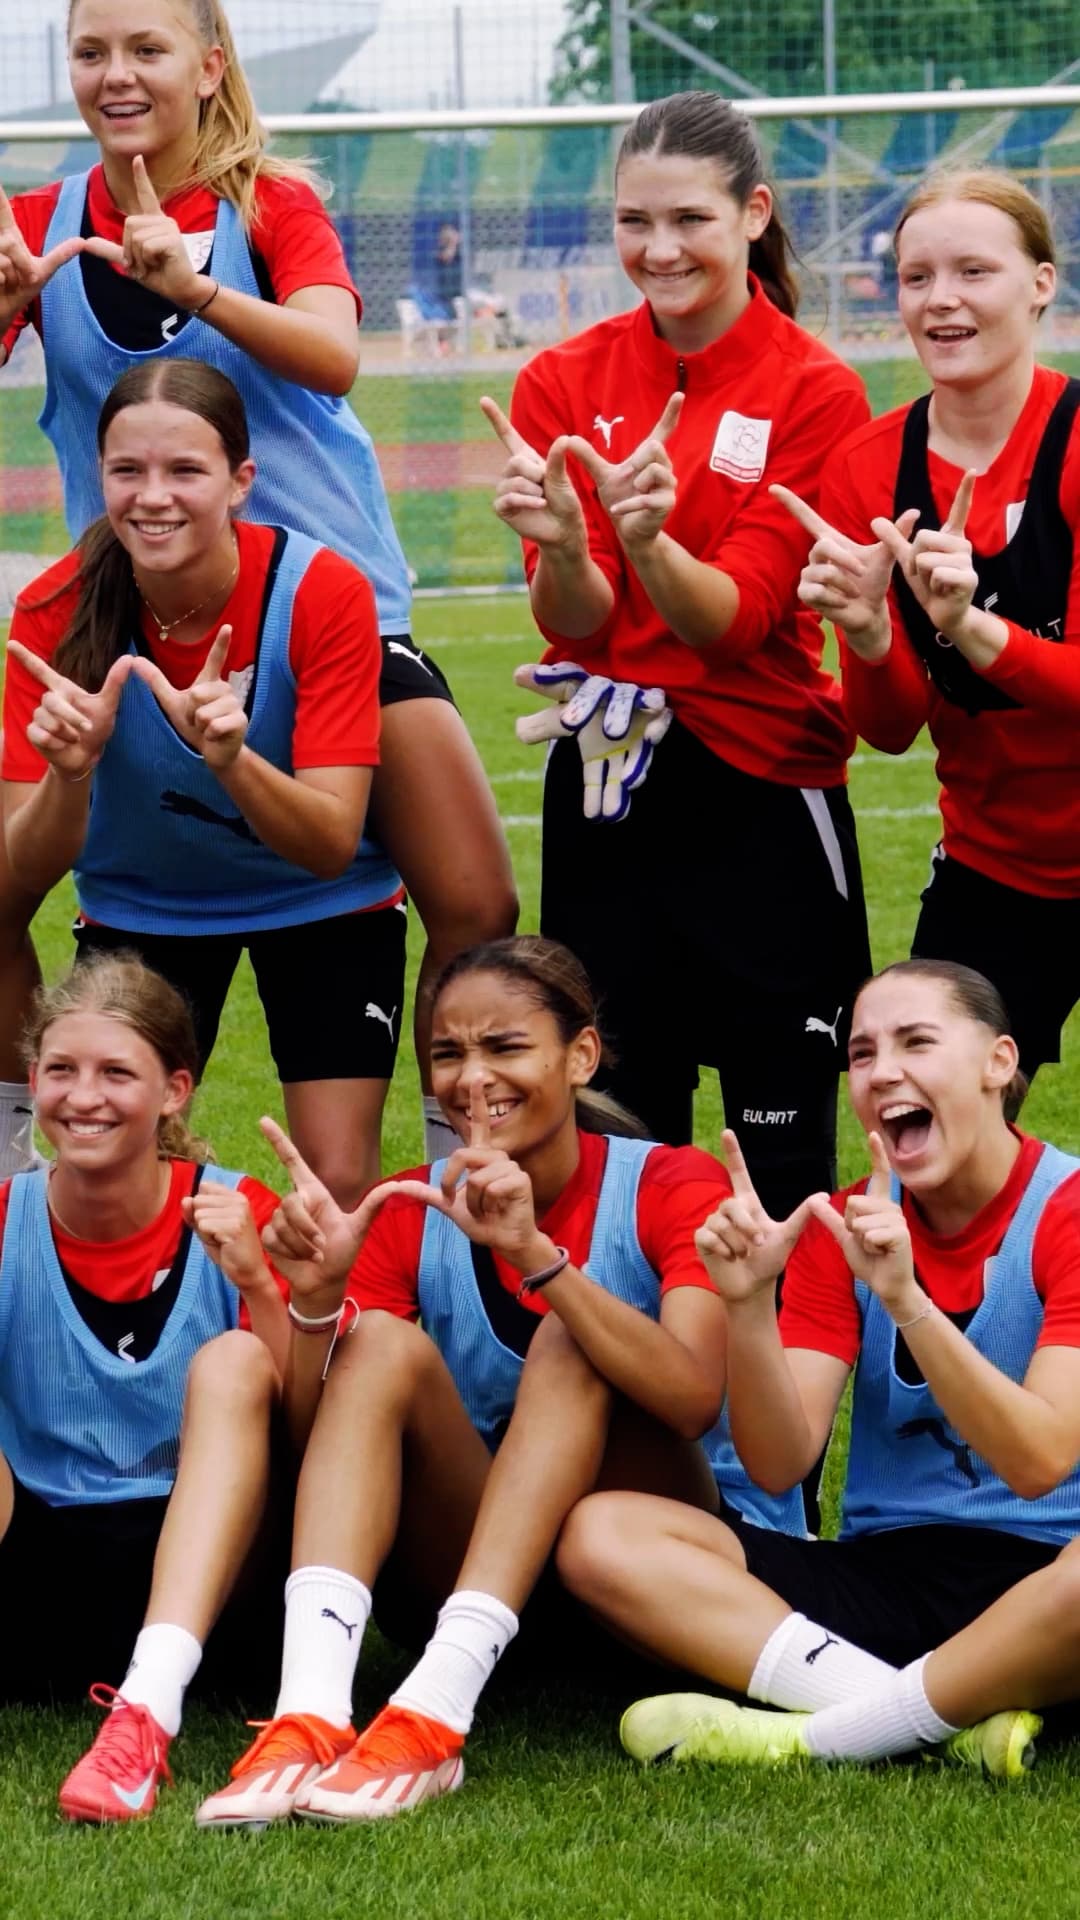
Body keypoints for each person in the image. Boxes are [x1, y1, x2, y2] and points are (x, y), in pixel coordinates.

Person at [0, 0, 517, 1167]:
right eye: (91, 51)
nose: (116, 74)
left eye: (148, 48)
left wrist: (193, 283)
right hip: (143, 627)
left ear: (209, 65)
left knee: (479, 908)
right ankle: (31, 1184)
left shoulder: (269, 206)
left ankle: (461, 1186)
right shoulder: (39, 226)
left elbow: (334, 358)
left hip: (325, 620)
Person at [194, 935, 806, 1830]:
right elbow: (321, 1442)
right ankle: (311, 1714)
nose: (472, 1078)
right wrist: (314, 1302)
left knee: (571, 1340)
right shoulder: (408, 1206)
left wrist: (535, 1257)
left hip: (649, 1566)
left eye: (505, 1047)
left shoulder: (673, 1179)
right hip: (470, 1576)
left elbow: (689, 1402)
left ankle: (436, 1709)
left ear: (580, 1054)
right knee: (378, 1351)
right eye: (447, 1053)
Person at [483, 90, 871, 1223]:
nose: (658, 250)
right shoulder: (562, 378)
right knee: (623, 1135)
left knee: (782, 1157)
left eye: (690, 219)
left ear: (754, 213)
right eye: (632, 222)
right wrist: (565, 547)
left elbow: (737, 621)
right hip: (608, 798)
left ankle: (783, 1405)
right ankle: (642, 1395)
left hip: (761, 790)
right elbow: (576, 625)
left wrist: (647, 539)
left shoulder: (816, 389)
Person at [557, 959, 1080, 1781]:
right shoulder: (839, 1224)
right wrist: (748, 1305)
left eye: (916, 1042)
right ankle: (929, 1715)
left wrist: (908, 1303)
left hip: (1048, 1580)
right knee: (602, 1534)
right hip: (888, 1574)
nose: (883, 1072)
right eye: (863, 1054)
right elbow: (778, 1462)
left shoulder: (1068, 1211)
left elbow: (1039, 1461)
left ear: (999, 1063)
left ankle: (815, 1734)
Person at [3, 357, 397, 1206]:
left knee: (332, 1185)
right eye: (126, 471)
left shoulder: (322, 590)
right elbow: (15, 876)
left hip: (322, 904)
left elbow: (331, 844)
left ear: (241, 480)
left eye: (185, 470)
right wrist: (69, 776)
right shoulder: (56, 609)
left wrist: (233, 759)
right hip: (145, 904)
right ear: (96, 473)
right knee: (105, 1175)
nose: (154, 496)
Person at [776, 169, 1080, 1087]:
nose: (941, 300)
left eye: (974, 272)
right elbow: (893, 728)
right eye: (916, 278)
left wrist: (970, 626)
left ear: (1040, 282)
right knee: (932, 1117)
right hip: (997, 861)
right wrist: (870, 632)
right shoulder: (870, 468)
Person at [0, 952, 293, 1820]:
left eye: (114, 1073)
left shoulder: (240, 1213)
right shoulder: (7, 1217)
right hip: (46, 1569)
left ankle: (146, 1710)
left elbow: (312, 1430)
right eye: (61, 1070)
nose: (83, 1096)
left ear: (174, 1091)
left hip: (219, 1583)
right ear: (32, 1080)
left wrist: (266, 1291)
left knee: (237, 1361)